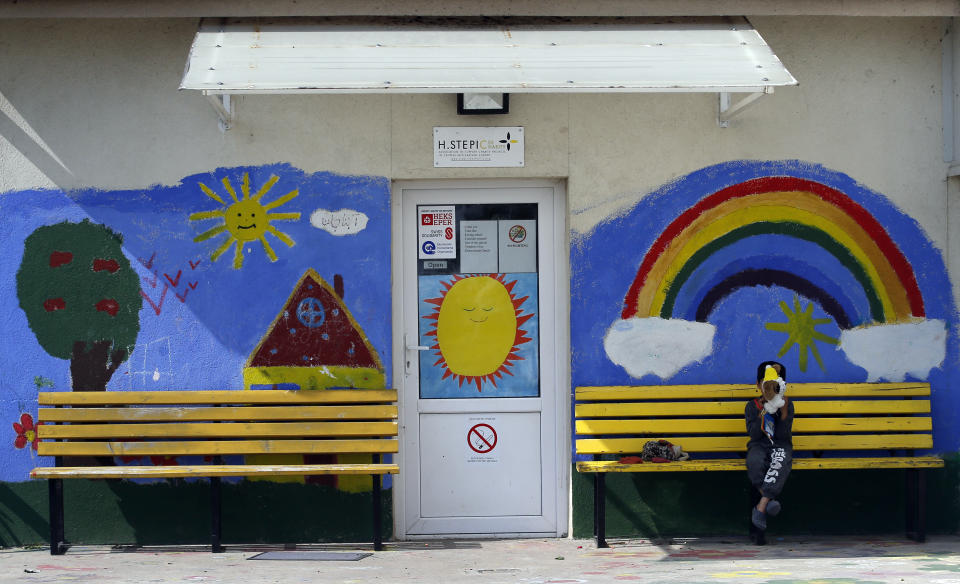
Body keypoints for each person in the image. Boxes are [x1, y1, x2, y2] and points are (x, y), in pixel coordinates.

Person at [745, 360, 793, 539]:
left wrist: (784, 411)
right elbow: (754, 435)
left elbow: (783, 435)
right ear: (758, 385)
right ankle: (769, 499)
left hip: (780, 445)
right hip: (759, 445)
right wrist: (763, 411)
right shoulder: (751, 406)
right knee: (755, 462)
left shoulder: (786, 404)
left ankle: (762, 506)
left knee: (780, 463)